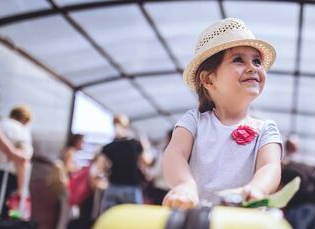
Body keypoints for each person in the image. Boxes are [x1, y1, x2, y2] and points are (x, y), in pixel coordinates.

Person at [162, 18, 282, 209]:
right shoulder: (194, 121)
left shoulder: (266, 130)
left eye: (257, 61)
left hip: (242, 223)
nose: (252, 67)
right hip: (197, 220)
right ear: (209, 79)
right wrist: (184, 185)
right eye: (238, 60)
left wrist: (257, 188)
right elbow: (175, 153)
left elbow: (270, 166)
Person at [94, 114, 153, 214]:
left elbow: (99, 168)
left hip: (113, 186)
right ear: (127, 126)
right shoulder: (135, 144)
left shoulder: (108, 147)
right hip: (132, 187)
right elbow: (147, 161)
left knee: (110, 220)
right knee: (131, 222)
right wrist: (146, 145)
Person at [0, 105, 33, 219]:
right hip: (7, 177)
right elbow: (22, 160)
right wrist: (21, 189)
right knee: (9, 210)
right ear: (25, 120)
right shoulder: (21, 131)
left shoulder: (0, 124)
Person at [53, 133, 84, 229]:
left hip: (67, 188)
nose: (83, 144)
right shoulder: (71, 152)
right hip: (68, 188)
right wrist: (81, 169)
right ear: (76, 141)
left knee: (66, 218)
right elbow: (68, 167)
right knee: (65, 219)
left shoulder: (69, 151)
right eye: (82, 141)